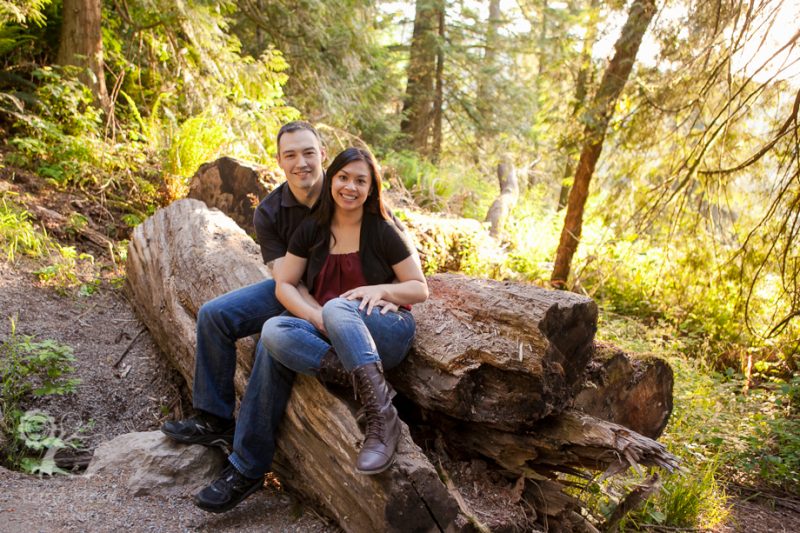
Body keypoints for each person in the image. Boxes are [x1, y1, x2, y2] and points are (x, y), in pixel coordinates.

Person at [160, 121, 349, 512]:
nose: (301, 163)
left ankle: (247, 466)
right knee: (214, 315)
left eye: (308, 153)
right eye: (291, 155)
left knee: (271, 342)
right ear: (279, 161)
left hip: (342, 299)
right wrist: (310, 312)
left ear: (323, 154)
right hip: (295, 290)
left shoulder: (346, 192)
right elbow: (285, 282)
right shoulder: (271, 211)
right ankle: (214, 418)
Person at [263, 147, 428, 474]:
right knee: (274, 331)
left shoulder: (382, 230)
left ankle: (380, 416)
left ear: (371, 189)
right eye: (343, 177)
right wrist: (315, 317)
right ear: (331, 179)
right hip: (333, 331)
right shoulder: (312, 229)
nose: (350, 187)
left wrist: (380, 289)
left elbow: (419, 288)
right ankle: (372, 389)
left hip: (386, 329)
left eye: (360, 181)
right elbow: (284, 283)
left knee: (338, 306)